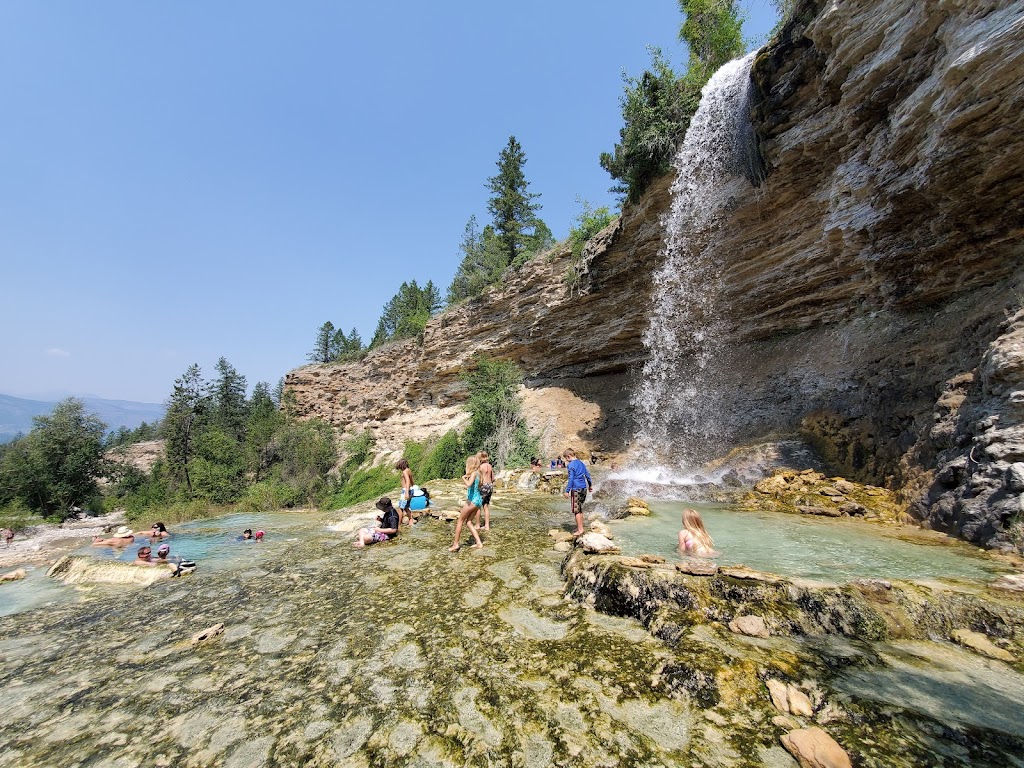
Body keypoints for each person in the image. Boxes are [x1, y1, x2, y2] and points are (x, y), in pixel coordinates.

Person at [450, 455, 484, 552]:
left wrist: (463, 478)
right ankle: (479, 543)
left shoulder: (473, 473)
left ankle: (456, 544)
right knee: (468, 522)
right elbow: (479, 485)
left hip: (472, 501)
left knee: (460, 521)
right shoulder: (479, 473)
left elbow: (469, 485)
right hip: (478, 501)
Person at [562, 449, 593, 536]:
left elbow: (571, 479)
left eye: (566, 459)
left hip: (576, 489)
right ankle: (580, 527)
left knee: (576, 511)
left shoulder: (571, 465)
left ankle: (580, 530)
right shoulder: (581, 463)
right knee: (580, 509)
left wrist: (567, 491)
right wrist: (590, 485)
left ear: (569, 456)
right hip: (584, 488)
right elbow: (588, 475)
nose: (566, 461)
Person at [474, 451, 495, 531]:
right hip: (490, 486)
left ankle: (477, 524)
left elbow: (478, 479)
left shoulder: (480, 467)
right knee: (486, 506)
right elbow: (493, 478)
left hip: (483, 486)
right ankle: (487, 526)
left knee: (478, 506)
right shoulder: (490, 466)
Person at [396, 458, 416, 527]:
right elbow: (412, 481)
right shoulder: (409, 470)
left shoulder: (404, 471)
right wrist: (412, 488)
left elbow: (407, 481)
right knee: (406, 507)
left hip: (406, 491)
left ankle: (398, 524)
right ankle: (411, 521)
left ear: (401, 465)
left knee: (400, 508)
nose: (400, 470)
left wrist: (406, 492)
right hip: (411, 489)